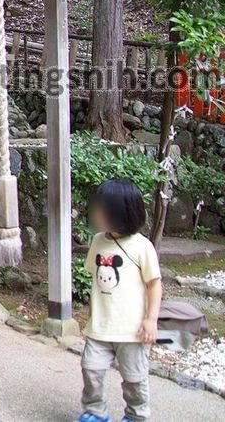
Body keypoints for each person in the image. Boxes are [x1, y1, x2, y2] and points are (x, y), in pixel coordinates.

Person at [78, 178, 162, 422]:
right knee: (90, 369)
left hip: (133, 331)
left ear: (119, 212)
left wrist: (151, 320)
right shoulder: (98, 242)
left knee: (134, 379)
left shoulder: (142, 247)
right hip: (100, 327)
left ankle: (136, 416)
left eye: (101, 208)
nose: (95, 213)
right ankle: (94, 412)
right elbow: (96, 278)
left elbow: (154, 284)